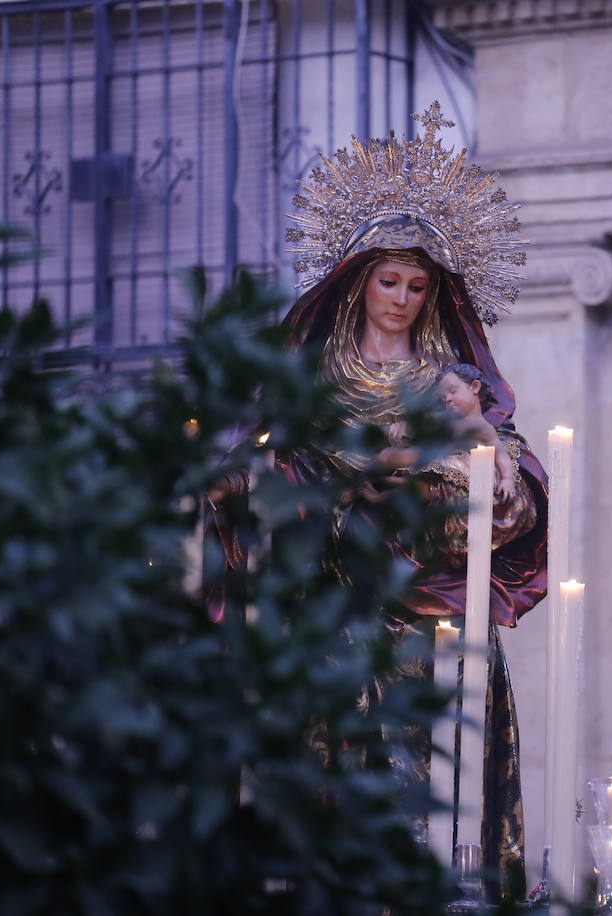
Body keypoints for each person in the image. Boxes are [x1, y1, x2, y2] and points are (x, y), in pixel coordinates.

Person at [211, 103, 546, 897]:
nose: (401, 297)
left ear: (435, 294)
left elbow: (515, 484)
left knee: (434, 796)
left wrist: (494, 467)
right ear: (358, 284)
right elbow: (262, 471)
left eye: (417, 285)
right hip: (330, 616)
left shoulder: (458, 389)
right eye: (388, 281)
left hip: (434, 628)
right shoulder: (313, 385)